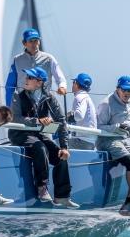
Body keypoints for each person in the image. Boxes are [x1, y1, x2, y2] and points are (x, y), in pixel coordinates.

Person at [9, 67, 79, 208]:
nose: (26, 80)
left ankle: (62, 196)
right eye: (27, 77)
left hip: (38, 134)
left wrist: (64, 146)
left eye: (30, 77)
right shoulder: (17, 94)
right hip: (18, 133)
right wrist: (37, 121)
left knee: (61, 154)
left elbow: (61, 120)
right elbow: (15, 118)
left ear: (39, 82)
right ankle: (42, 187)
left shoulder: (49, 97)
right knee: (40, 147)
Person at [96, 76, 130, 219]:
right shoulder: (106, 104)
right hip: (106, 139)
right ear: (118, 89)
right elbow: (98, 127)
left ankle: (129, 203)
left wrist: (128, 128)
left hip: (121, 138)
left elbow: (126, 121)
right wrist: (118, 127)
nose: (128, 93)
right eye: (125, 90)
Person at [5, 28, 67, 105]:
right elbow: (10, 86)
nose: (34, 44)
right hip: (23, 103)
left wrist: (62, 86)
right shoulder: (17, 60)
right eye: (31, 41)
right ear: (24, 43)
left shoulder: (49, 58)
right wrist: (9, 107)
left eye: (36, 41)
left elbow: (60, 77)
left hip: (44, 103)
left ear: (39, 42)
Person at [67, 73, 97, 150]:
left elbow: (79, 115)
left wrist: (69, 116)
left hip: (81, 141)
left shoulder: (79, 96)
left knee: (55, 143)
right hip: (90, 141)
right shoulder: (86, 97)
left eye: (73, 82)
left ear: (76, 84)